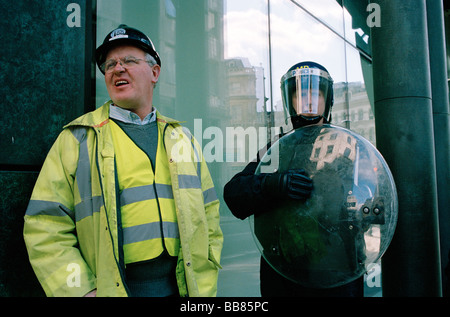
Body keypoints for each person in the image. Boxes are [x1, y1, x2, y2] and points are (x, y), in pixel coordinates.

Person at [23, 25, 223, 297]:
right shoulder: (78, 139)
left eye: (129, 60)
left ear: (155, 73)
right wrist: (81, 291)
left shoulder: (183, 139)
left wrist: (205, 282)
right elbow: (44, 226)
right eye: (110, 64)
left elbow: (210, 216)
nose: (117, 69)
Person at [223, 61, 363, 297]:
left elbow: (368, 197)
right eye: (301, 93)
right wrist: (271, 184)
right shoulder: (277, 149)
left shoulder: (347, 145)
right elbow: (234, 195)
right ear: (291, 100)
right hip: (284, 276)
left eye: (316, 93)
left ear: (327, 100)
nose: (308, 100)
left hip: (337, 272)